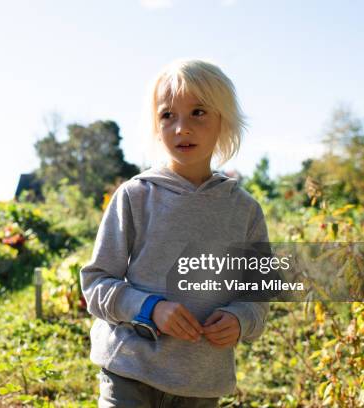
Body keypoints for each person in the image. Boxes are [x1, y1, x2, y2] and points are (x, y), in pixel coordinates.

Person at [80, 59, 270, 407]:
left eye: (198, 112)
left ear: (223, 123)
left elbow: (258, 296)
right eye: (168, 115)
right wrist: (150, 308)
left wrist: (240, 319)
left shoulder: (244, 211)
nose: (182, 128)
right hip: (129, 370)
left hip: (200, 383)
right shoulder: (135, 196)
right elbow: (96, 284)